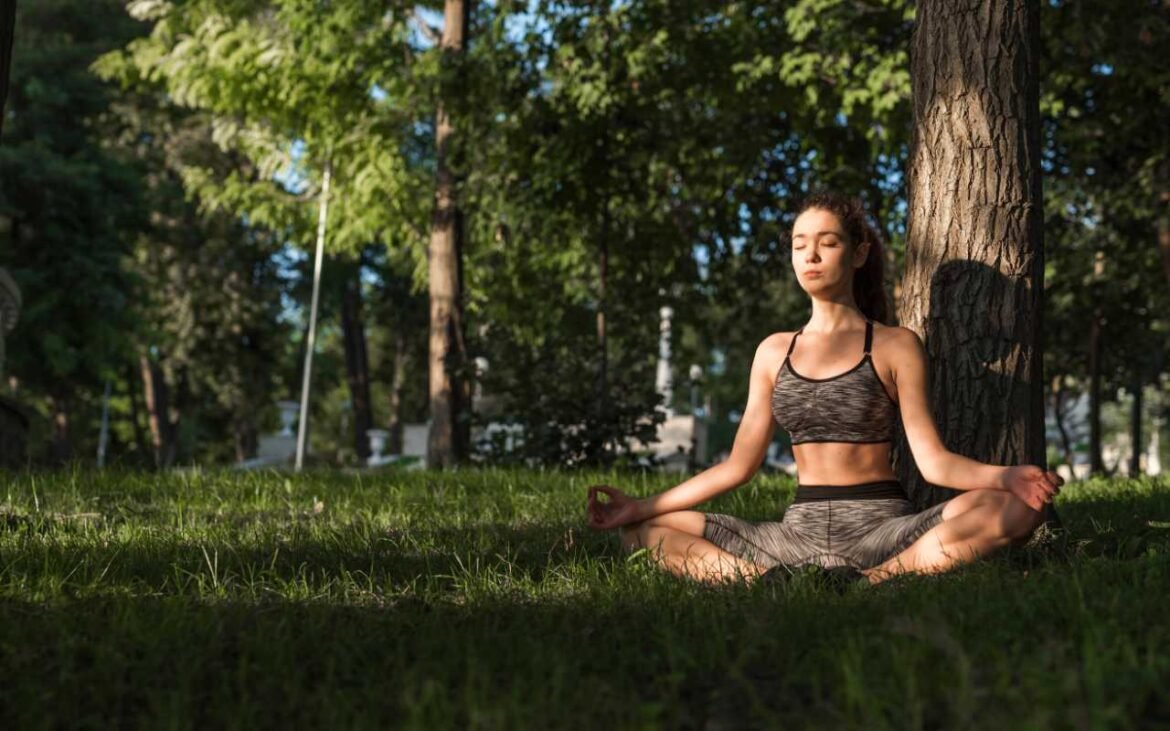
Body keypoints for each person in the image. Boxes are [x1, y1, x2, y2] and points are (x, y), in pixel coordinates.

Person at [585, 191, 1063, 588]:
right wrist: (638, 506)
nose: (810, 256)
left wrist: (1006, 478)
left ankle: (872, 582)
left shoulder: (895, 345)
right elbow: (737, 466)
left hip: (883, 528)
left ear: (857, 253)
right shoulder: (774, 352)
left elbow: (933, 461)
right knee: (642, 532)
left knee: (1018, 510)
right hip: (796, 534)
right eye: (799, 245)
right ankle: (762, 581)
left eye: (827, 243)